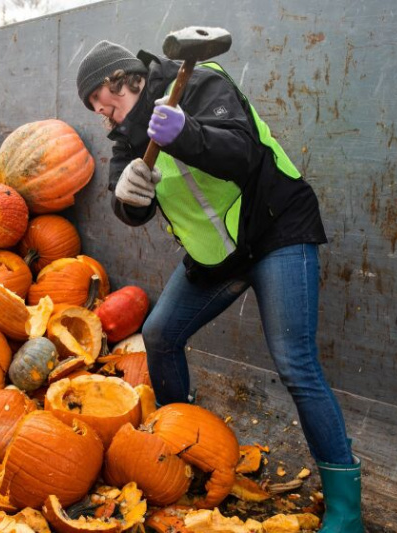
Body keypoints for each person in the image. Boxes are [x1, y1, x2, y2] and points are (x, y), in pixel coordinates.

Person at [76, 40, 364, 533]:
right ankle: (175, 445)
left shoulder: (201, 82)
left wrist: (186, 132)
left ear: (129, 78)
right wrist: (129, 201)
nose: (105, 115)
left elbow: (241, 153)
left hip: (275, 228)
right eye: (98, 111)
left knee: (295, 362)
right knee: (161, 334)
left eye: (107, 101)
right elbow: (131, 203)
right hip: (217, 256)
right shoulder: (126, 138)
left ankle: (345, 508)